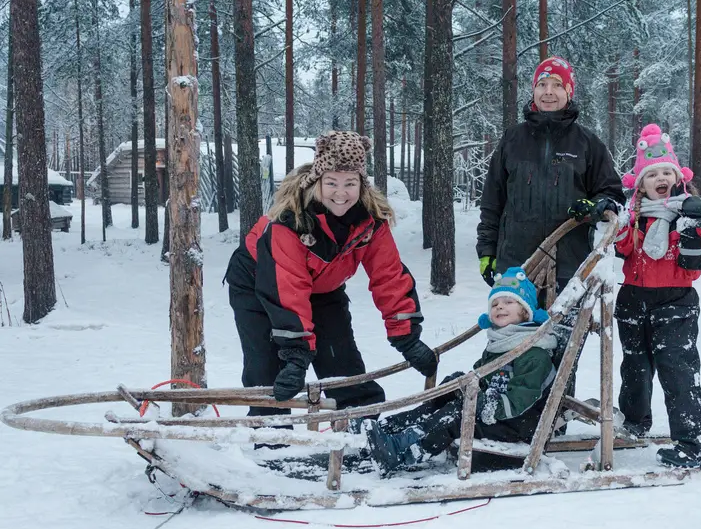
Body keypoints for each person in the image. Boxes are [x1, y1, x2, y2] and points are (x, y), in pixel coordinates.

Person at [224, 130, 437, 419]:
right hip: (258, 282)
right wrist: (297, 353)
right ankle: (270, 439)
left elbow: (388, 274)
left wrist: (407, 337)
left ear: (361, 185)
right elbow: (287, 287)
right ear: (317, 182)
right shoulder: (290, 221)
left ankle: (359, 429)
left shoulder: (370, 221)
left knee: (340, 358)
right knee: (269, 367)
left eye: (350, 183)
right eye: (332, 182)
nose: (341, 193)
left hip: (322, 285)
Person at [362, 268, 558, 475]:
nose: (500, 306)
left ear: (526, 312)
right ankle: (388, 429)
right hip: (495, 413)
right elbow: (483, 378)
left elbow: (522, 398)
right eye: (495, 304)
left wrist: (482, 402)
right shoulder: (501, 344)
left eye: (509, 302)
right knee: (445, 397)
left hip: (517, 424)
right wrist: (462, 386)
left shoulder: (535, 354)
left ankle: (403, 452)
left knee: (456, 416)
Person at [614, 123, 701, 469]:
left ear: (677, 178)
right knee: (634, 366)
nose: (660, 178)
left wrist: (694, 228)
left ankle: (699, 442)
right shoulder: (635, 217)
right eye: (652, 174)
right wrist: (614, 223)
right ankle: (634, 422)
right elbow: (623, 248)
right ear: (641, 183)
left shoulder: (686, 213)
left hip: (675, 302)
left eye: (666, 172)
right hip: (633, 299)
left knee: (677, 372)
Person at [476, 56, 625, 294]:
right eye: (542, 84)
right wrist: (486, 251)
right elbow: (492, 202)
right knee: (514, 332)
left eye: (557, 85)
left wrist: (594, 205)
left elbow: (612, 194)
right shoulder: (511, 140)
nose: (548, 92)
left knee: (566, 333)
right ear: (533, 90)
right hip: (516, 264)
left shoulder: (588, 143)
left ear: (569, 91)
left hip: (571, 267)